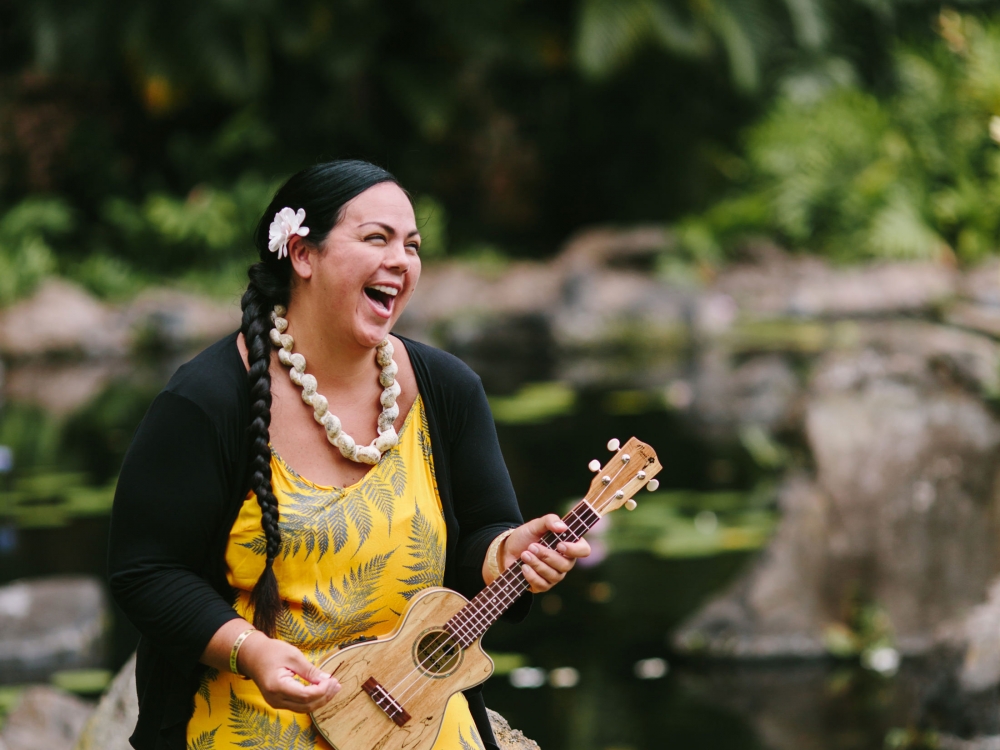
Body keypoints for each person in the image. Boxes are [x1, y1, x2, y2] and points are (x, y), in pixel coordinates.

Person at [108, 160, 590, 750]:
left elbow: (480, 534)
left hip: (416, 719)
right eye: (376, 239)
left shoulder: (447, 389)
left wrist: (504, 552)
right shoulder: (206, 401)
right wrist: (252, 650)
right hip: (253, 718)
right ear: (302, 256)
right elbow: (147, 572)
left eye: (411, 245)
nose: (401, 261)